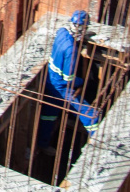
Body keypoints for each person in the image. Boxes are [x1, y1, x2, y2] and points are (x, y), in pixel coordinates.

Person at [36, 10, 101, 156]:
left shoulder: (61, 32)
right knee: (91, 116)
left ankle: (42, 144)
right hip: (61, 87)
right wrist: (82, 81)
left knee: (49, 114)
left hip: (49, 80)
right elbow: (68, 79)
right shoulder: (71, 50)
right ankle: (96, 149)